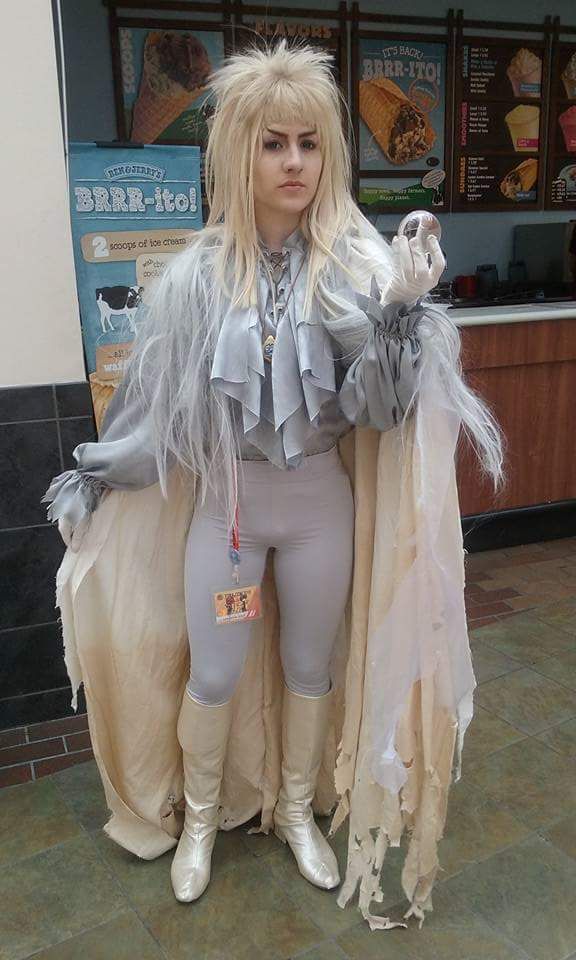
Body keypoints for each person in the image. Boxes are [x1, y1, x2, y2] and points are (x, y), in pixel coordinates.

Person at [43, 40, 504, 929]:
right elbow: (154, 409)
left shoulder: (356, 272)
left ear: (328, 152)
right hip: (226, 512)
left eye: (308, 143)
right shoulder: (191, 279)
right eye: (272, 143)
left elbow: (380, 410)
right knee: (213, 675)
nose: (293, 162)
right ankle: (202, 827)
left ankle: (296, 811)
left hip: (320, 507)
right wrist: (94, 481)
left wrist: (403, 314)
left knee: (307, 667)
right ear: (238, 152)